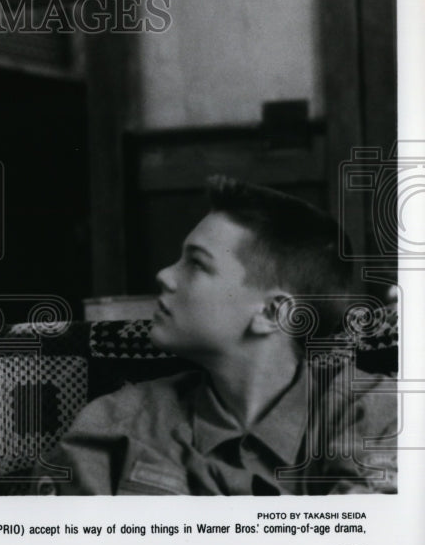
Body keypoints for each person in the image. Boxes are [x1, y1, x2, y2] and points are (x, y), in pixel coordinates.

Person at [36, 177, 397, 495]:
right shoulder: (117, 426)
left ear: (273, 313)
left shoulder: (373, 410)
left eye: (197, 263)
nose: (164, 274)